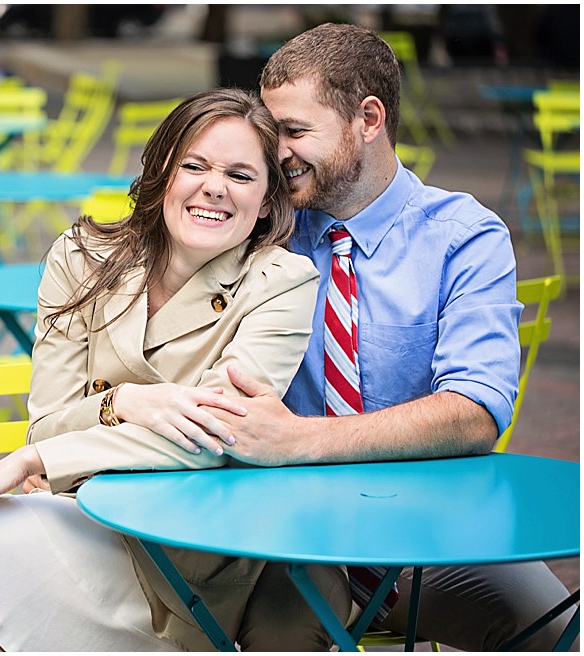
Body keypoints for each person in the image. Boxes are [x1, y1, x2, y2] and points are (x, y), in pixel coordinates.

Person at [0, 88, 320, 651]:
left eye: (241, 176)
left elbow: (213, 436)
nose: (214, 187)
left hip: (180, 566)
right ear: (162, 174)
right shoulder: (80, 257)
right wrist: (120, 403)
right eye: (194, 165)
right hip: (79, 520)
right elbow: (48, 421)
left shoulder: (281, 283)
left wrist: (34, 461)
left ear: (269, 200)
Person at [192, 23, 571, 651]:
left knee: (556, 632)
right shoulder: (263, 227)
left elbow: (475, 414)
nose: (275, 152)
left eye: (294, 131)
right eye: (270, 132)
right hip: (289, 539)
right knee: (280, 638)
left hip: (438, 538)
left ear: (368, 119)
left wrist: (299, 440)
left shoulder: (463, 237)